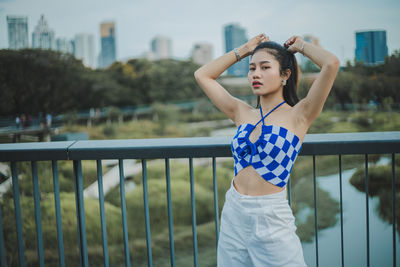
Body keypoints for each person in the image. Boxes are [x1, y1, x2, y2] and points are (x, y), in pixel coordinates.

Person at [194, 33, 340, 266]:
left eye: (265, 67)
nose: (256, 74)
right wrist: (244, 49)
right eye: (252, 69)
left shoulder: (299, 115)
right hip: (234, 211)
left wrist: (300, 47)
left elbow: (331, 64)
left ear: (285, 75)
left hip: (270, 216)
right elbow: (202, 75)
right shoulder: (241, 112)